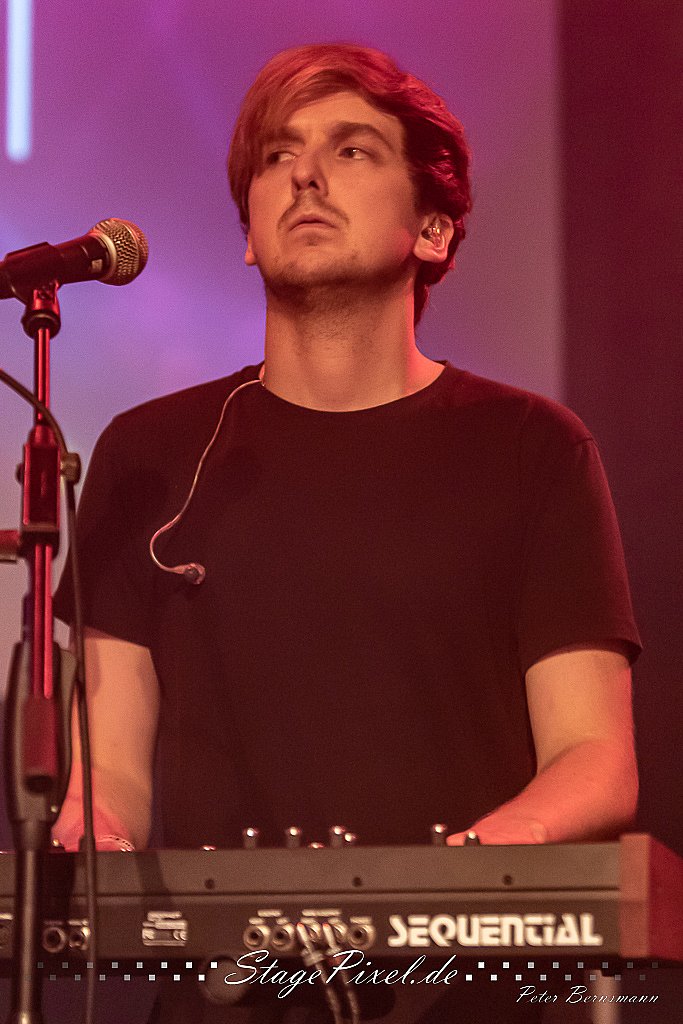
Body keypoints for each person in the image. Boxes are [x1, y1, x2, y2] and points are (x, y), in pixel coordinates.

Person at [53, 43, 640, 1023]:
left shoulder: (531, 447)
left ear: (434, 228)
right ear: (248, 235)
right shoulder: (148, 453)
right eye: (277, 155)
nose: (305, 176)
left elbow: (592, 759)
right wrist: (92, 834)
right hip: (222, 996)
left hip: (459, 997)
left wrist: (446, 881)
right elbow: (108, 768)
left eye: (351, 150)